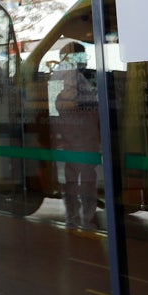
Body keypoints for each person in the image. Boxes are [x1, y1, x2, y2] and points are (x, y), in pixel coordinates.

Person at [52, 41, 99, 232]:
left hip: (70, 134)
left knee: (71, 178)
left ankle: (72, 218)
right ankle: (86, 220)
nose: (85, 60)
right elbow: (66, 103)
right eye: (81, 56)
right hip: (79, 133)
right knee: (86, 178)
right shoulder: (69, 74)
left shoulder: (60, 74)